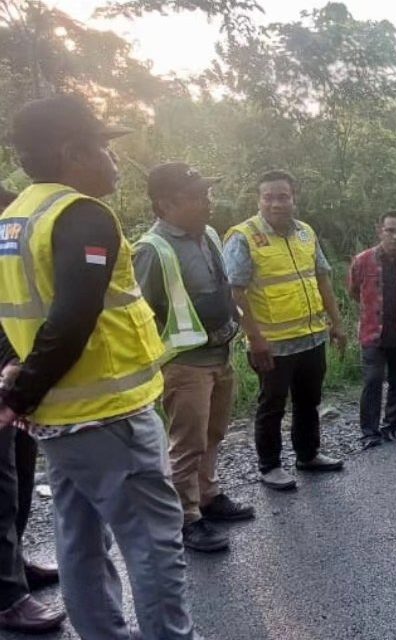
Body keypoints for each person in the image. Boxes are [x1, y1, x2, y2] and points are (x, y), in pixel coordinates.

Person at [0, 95, 201, 637]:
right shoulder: (82, 215)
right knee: (155, 542)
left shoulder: (15, 217)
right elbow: (72, 315)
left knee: (79, 536)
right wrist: (17, 396)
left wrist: (22, 384)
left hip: (60, 418)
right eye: (105, 149)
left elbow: (29, 309)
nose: (114, 162)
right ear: (72, 152)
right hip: (108, 413)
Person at [133, 163, 256, 554]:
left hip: (220, 354)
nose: (208, 202)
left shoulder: (209, 235)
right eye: (197, 196)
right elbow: (139, 313)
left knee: (213, 434)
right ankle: (186, 519)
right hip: (185, 364)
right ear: (166, 204)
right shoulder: (151, 250)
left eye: (208, 194)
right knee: (186, 443)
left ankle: (207, 495)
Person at [223, 170, 347, 490]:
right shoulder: (244, 236)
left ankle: (308, 455)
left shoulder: (306, 232)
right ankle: (270, 466)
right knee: (272, 404)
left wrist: (337, 322)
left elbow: (322, 278)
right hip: (272, 343)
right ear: (258, 200)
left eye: (283, 196)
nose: (276, 203)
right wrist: (254, 338)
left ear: (294, 198)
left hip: (311, 336)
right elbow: (234, 293)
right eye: (268, 197)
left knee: (309, 399)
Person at [0, 188, 64, 635]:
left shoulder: (12, 249)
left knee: (20, 479)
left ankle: (13, 564)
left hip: (17, 385)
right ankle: (7, 597)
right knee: (0, 492)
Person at [348, 211, 396, 449]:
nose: (394, 236)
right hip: (373, 333)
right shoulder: (362, 261)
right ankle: (369, 433)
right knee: (372, 381)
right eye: (389, 230)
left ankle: (391, 427)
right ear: (379, 231)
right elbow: (353, 291)